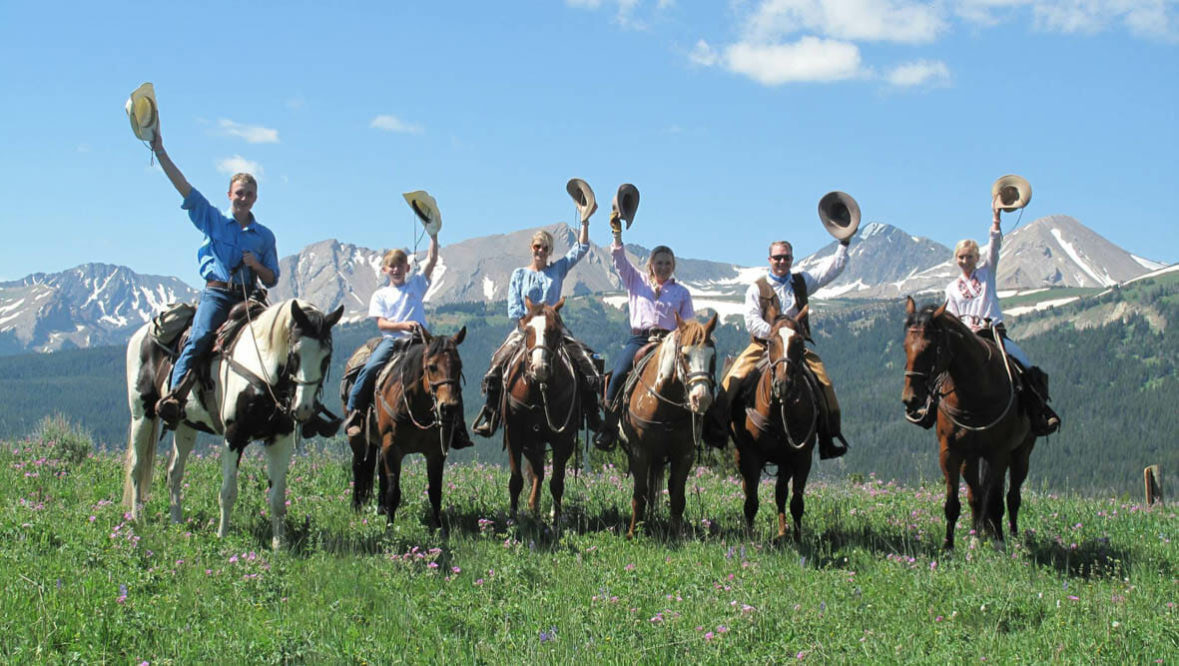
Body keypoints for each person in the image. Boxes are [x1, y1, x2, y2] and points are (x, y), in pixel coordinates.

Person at [150, 127, 280, 429]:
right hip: (218, 294)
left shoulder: (264, 236)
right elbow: (184, 189)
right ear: (229, 195)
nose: (243, 198)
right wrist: (160, 152)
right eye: (239, 193)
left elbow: (272, 277)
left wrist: (256, 266)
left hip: (250, 297)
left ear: (256, 198)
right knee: (199, 337)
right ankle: (174, 396)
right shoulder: (214, 220)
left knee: (277, 341)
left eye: (249, 194)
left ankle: (281, 406)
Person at [703, 236, 851, 458]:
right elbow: (751, 321)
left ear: (792, 259)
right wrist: (774, 334)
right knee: (731, 380)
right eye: (777, 258)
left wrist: (844, 244)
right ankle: (718, 429)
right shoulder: (757, 288)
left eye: (786, 257)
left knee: (824, 382)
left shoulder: (801, 282)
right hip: (762, 345)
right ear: (769, 259)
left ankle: (828, 436)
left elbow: (830, 270)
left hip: (792, 348)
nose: (782, 262)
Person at [471, 222, 603, 437]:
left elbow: (581, 248)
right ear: (531, 248)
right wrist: (526, 325)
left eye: (545, 248)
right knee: (497, 363)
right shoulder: (519, 274)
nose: (540, 251)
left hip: (553, 330)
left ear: (550, 251)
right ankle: (491, 414)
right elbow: (514, 307)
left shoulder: (558, 269)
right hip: (526, 329)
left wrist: (586, 222)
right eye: (537, 247)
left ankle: (593, 415)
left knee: (587, 362)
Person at [943, 194, 1061, 436]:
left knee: (1025, 364)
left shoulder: (987, 273)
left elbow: (995, 245)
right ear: (956, 259)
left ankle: (1040, 412)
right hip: (966, 338)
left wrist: (996, 218)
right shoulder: (951, 288)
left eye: (970, 256)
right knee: (941, 374)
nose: (965, 260)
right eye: (961, 257)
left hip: (993, 333)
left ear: (977, 258)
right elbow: (952, 318)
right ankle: (931, 412)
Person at [342, 238, 473, 447]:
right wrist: (403, 325)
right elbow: (382, 324)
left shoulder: (416, 285)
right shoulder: (381, 295)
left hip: (421, 342)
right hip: (393, 341)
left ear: (407, 267)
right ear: (385, 270)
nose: (396, 269)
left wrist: (433, 235)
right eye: (392, 266)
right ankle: (354, 412)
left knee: (447, 373)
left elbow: (432, 260)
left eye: (400, 265)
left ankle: (458, 428)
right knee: (371, 368)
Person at [593, 211, 695, 451]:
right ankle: (609, 426)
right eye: (659, 262)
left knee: (694, 377)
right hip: (640, 339)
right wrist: (617, 235)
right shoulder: (636, 280)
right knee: (618, 375)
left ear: (673, 267)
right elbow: (619, 260)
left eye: (667, 263)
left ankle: (696, 428)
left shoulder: (682, 292)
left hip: (670, 342)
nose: (663, 267)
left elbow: (688, 324)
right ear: (651, 264)